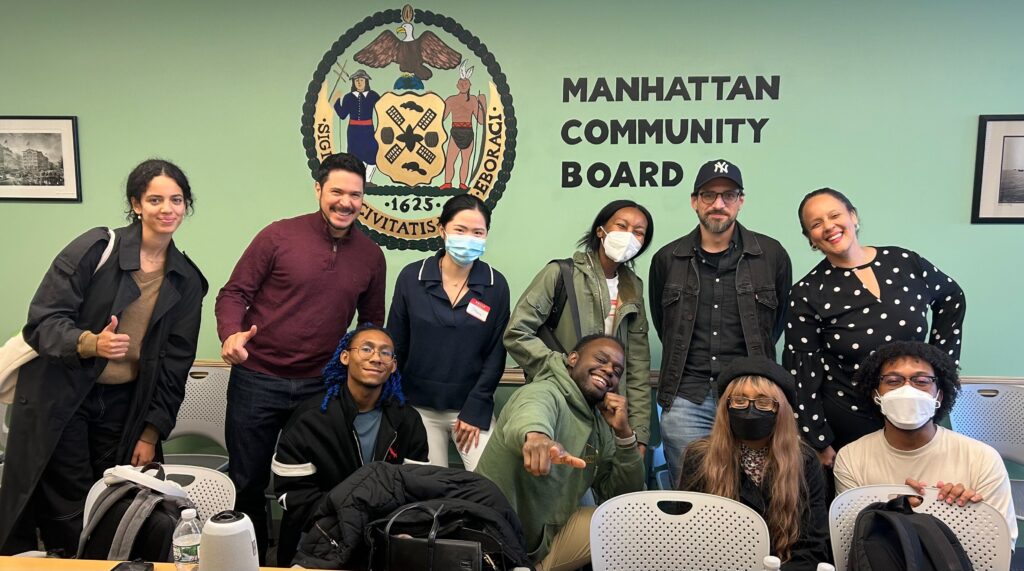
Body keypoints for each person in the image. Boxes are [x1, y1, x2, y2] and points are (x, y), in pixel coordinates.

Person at [0, 159, 207, 555]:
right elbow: (42, 320)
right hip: (63, 396)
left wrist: (151, 431)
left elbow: (174, 367)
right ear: (136, 204)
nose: (168, 209)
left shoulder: (186, 279)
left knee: (118, 498)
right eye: (156, 199)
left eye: (177, 199)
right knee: (67, 502)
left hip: (124, 405)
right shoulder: (97, 247)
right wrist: (88, 343)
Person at [215, 152, 386, 562]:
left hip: (321, 387)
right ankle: (250, 560)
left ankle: (301, 559)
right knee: (247, 480)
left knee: (315, 482)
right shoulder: (277, 236)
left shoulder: (371, 256)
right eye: (337, 192)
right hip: (257, 379)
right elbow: (233, 293)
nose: (346, 202)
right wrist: (230, 335)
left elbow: (372, 323)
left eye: (356, 194)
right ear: (318, 191)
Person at [785, 188, 966, 469]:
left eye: (835, 215)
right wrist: (818, 440)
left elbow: (952, 298)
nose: (829, 226)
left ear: (853, 216)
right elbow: (801, 372)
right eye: (816, 224)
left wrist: (942, 367)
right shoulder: (808, 293)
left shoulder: (905, 262)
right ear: (810, 238)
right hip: (850, 420)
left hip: (916, 414)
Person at [649, 159, 792, 482]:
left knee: (753, 489)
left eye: (728, 196)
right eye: (709, 195)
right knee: (692, 495)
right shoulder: (667, 259)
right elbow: (665, 325)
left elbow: (776, 322)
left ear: (741, 201)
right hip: (687, 396)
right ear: (694, 201)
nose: (718, 204)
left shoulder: (771, 255)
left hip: (752, 395)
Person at [476, 334, 645, 571]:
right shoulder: (543, 391)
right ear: (573, 359)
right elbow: (530, 414)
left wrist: (624, 434)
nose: (609, 371)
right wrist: (537, 437)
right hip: (497, 545)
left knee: (629, 521)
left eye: (617, 371)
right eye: (601, 359)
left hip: (542, 544)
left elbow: (623, 494)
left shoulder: (599, 423)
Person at [833, 341, 1016, 551]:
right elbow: (850, 543)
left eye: (921, 381)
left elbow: (1003, 547)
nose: (907, 390)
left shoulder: (982, 458)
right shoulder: (852, 457)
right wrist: (899, 512)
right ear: (876, 394)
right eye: (893, 381)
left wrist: (965, 514)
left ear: (939, 394)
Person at [505, 200, 654, 455]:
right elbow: (516, 332)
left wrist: (637, 432)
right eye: (621, 225)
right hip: (561, 403)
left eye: (638, 232)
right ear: (600, 230)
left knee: (607, 487)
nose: (629, 235)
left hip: (607, 410)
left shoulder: (634, 289)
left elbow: (637, 365)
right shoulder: (560, 273)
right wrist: (562, 367)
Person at [271, 325, 428, 566]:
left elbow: (416, 490)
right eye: (366, 349)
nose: (376, 358)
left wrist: (381, 529)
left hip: (383, 534)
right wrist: (352, 522)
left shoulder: (408, 421)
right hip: (320, 535)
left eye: (386, 353)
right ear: (345, 357)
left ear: (393, 366)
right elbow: (293, 496)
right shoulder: (309, 419)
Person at [386, 194, 509, 470]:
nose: (469, 238)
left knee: (492, 483)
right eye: (460, 230)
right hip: (418, 407)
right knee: (427, 489)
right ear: (442, 230)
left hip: (470, 407)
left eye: (478, 232)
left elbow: (495, 353)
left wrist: (476, 407)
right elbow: (396, 344)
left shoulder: (495, 284)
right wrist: (397, 406)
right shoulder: (411, 277)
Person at [678, 357, 830, 570]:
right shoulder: (699, 457)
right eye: (739, 400)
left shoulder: (805, 461)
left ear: (781, 410)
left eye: (763, 401)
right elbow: (686, 537)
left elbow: (814, 545)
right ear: (726, 406)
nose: (750, 409)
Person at [331, 70, 380, 181]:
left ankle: (367, 180)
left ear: (366, 82)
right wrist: (336, 102)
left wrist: (388, 97)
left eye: (361, 80)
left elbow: (383, 107)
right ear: (353, 82)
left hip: (368, 130)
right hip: (354, 131)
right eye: (356, 80)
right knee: (354, 155)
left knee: (373, 153)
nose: (359, 82)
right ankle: (356, 181)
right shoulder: (348, 97)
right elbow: (343, 115)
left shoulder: (373, 96)